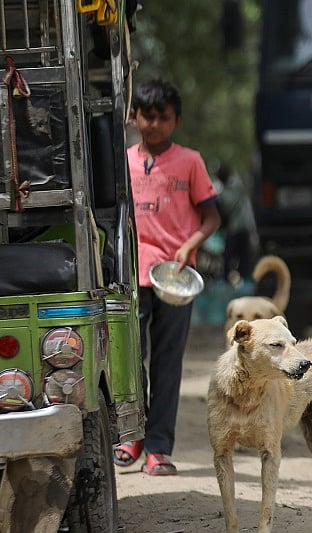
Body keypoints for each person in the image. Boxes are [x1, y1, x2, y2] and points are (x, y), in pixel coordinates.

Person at [115, 78, 222, 476]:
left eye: (163, 118)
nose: (155, 125)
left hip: (175, 277)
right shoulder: (122, 161)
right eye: (148, 116)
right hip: (131, 275)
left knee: (166, 362)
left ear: (176, 120)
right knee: (129, 359)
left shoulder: (190, 161)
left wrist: (190, 243)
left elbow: (212, 216)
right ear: (134, 116)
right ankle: (132, 435)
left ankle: (159, 447)